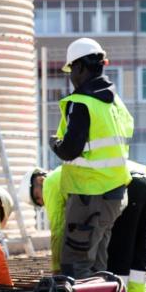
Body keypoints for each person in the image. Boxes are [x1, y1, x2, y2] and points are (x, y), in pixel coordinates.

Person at [50, 37, 133, 278]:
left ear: (79, 67)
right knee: (97, 263)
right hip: (115, 193)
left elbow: (69, 150)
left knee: (75, 263)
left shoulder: (80, 103)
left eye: (71, 70)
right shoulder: (115, 103)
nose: (71, 77)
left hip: (88, 194)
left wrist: (54, 143)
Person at [29, 160, 146, 292]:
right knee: (138, 248)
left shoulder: (50, 182)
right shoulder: (68, 171)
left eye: (37, 197)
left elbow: (58, 228)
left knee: (118, 251)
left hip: (124, 186)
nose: (42, 201)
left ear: (39, 180)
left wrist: (56, 267)